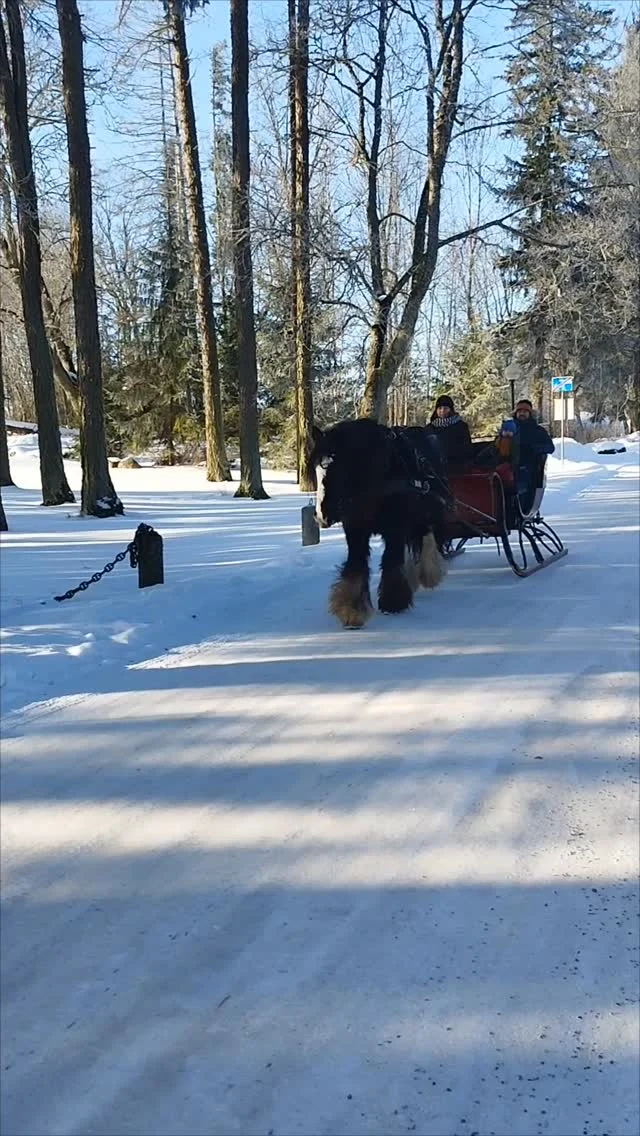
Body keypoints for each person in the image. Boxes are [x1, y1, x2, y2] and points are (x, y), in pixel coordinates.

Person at [499, 399, 555, 499]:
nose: (522, 414)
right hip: (506, 463)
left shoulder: (538, 431)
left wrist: (534, 449)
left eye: (525, 411)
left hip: (527, 466)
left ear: (530, 413)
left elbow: (550, 447)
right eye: (520, 411)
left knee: (521, 479)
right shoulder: (509, 427)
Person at [427, 394, 472, 465]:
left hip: (456, 463)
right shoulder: (430, 427)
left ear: (450, 409)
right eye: (440, 408)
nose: (442, 411)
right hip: (434, 464)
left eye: (445, 408)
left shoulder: (460, 426)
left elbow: (467, 447)